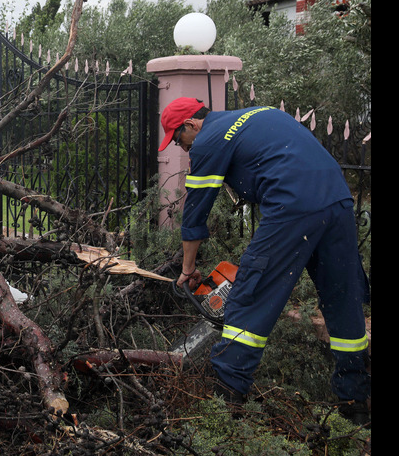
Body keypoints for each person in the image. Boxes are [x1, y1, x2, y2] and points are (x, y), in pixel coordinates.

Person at [159, 97, 370, 425]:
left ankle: (225, 398)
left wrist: (187, 269)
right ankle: (355, 400)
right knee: (344, 299)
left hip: (293, 204)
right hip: (338, 199)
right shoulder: (260, 113)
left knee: (250, 294)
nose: (180, 147)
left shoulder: (209, 140)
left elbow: (195, 215)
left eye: (177, 139)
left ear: (191, 125)